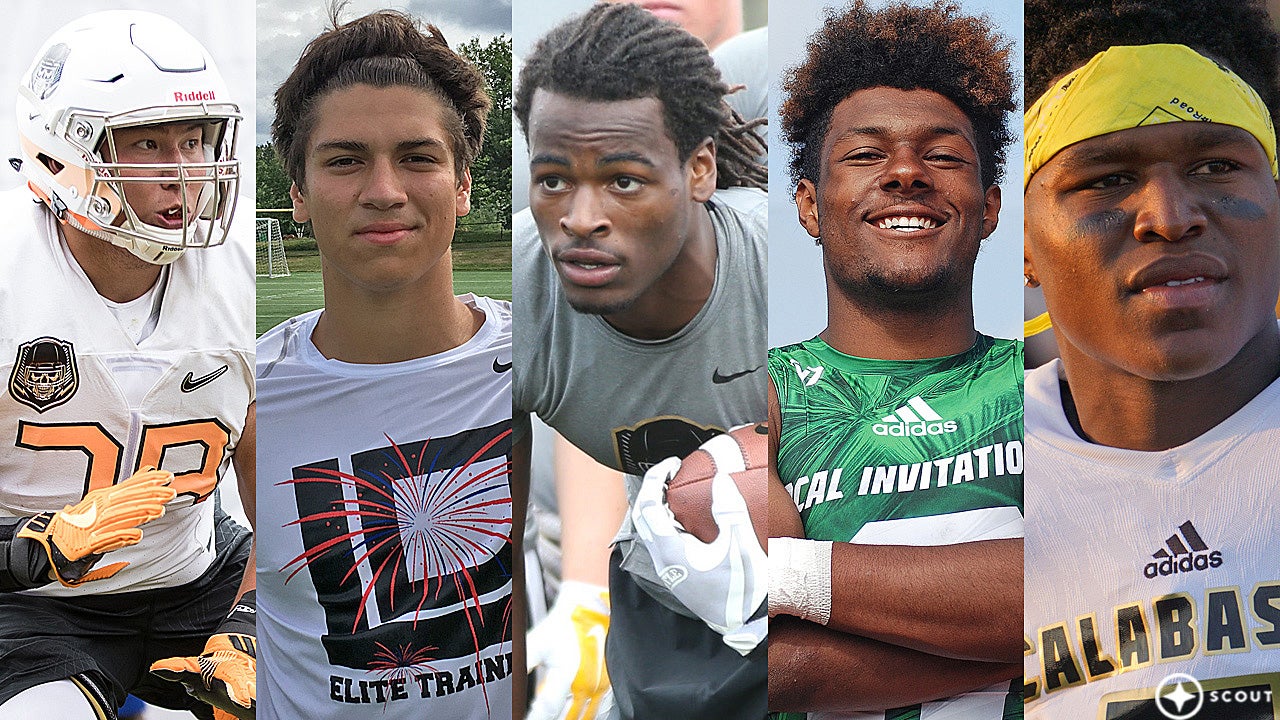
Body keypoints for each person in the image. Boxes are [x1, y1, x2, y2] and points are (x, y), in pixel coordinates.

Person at [254, 9, 521, 720]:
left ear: (463, 185)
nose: (384, 190)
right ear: (299, 194)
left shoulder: (553, 368)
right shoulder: (244, 401)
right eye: (345, 160)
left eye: (418, 157)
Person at [765, 2, 1025, 718]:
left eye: (943, 154)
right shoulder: (767, 393)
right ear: (810, 207)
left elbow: (1096, 568)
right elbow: (772, 665)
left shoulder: (1044, 378)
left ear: (991, 205)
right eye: (866, 154)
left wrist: (789, 574)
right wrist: (1031, 633)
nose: (906, 172)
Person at [1021, 0, 1280, 716]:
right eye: (1104, 179)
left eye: (1216, 165)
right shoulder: (969, 469)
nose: (1170, 216)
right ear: (1017, 241)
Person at [512, 4, 769, 719]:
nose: (581, 216)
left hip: (841, 582)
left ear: (700, 170)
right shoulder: (516, 305)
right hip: (663, 602)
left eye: (623, 180)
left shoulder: (793, 270)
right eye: (553, 180)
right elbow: (496, 558)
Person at [0, 10, 255, 720]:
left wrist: (258, 621)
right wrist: (23, 552)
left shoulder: (237, 279)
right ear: (58, 157)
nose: (186, 173)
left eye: (195, 140)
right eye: (146, 144)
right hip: (37, 607)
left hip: (197, 572)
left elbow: (287, 492)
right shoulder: (9, 278)